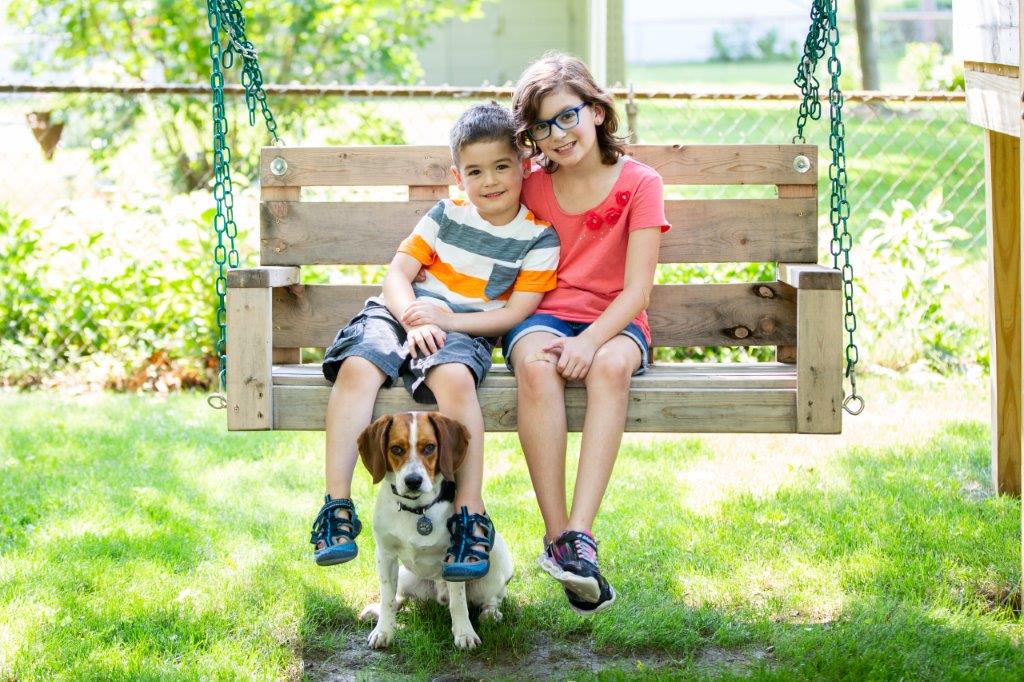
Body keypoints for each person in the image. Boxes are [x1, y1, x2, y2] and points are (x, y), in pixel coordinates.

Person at [309, 102, 560, 582]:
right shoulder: (446, 214)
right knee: (358, 367)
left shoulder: (538, 238)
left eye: (502, 167)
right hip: (399, 312)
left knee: (454, 380)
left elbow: (514, 312)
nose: (490, 181)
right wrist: (412, 316)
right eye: (475, 171)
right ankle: (337, 508)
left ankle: (469, 514)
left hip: (462, 329)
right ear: (457, 175)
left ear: (524, 166)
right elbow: (396, 276)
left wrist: (447, 321)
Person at [505, 53, 671, 613]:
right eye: (541, 128)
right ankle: (558, 542)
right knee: (533, 365)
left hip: (616, 319)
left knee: (611, 366)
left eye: (567, 116)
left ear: (597, 112)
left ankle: (582, 534)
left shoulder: (641, 183)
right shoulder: (531, 186)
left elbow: (637, 292)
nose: (557, 135)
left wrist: (590, 341)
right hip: (545, 314)